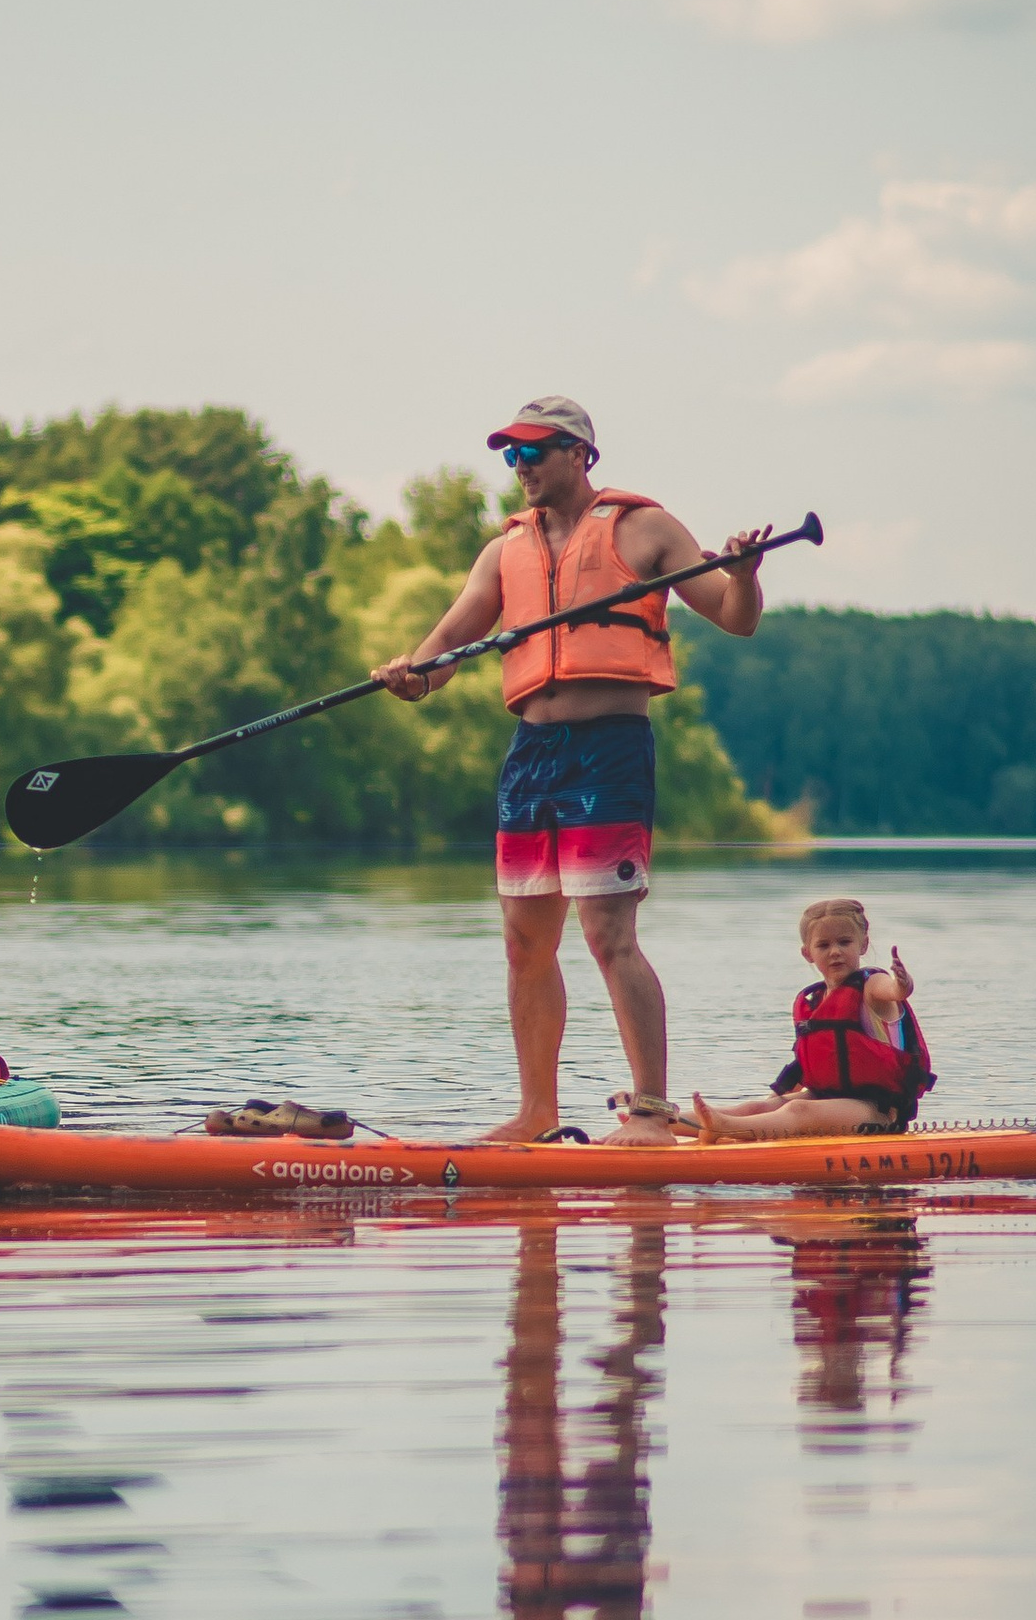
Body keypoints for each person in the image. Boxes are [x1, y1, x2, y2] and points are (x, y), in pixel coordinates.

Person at [375, 394, 768, 1142]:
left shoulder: (643, 528)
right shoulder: (504, 550)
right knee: (525, 943)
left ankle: (650, 1113)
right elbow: (444, 651)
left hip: (609, 748)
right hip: (531, 757)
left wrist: (744, 573)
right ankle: (536, 1113)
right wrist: (410, 675)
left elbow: (735, 616)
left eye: (534, 450)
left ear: (581, 453)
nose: (519, 465)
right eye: (510, 454)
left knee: (608, 933)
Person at [693, 901, 931, 1142]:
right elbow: (805, 1067)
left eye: (844, 942)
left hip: (877, 1111)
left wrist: (903, 982)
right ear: (808, 953)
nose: (835, 951)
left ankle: (726, 1128)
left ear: (863, 945)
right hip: (826, 1100)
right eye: (824, 945)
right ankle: (666, 1121)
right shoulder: (815, 1002)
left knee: (798, 1110)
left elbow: (895, 991)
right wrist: (769, 1109)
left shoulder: (872, 986)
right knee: (758, 1108)